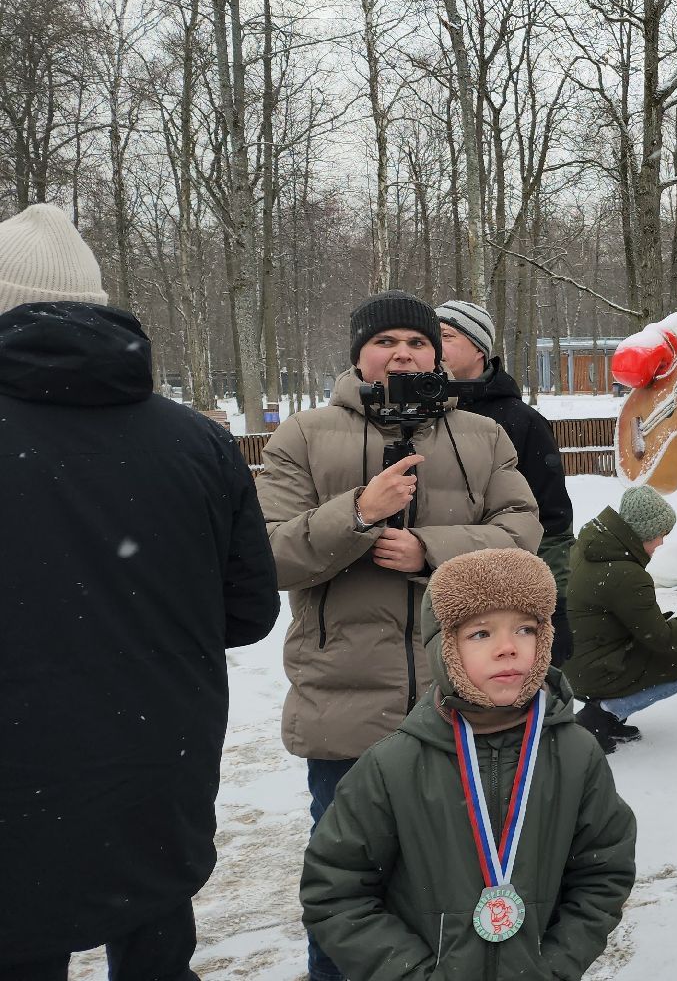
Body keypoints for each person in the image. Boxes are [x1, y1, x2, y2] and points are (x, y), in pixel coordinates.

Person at [0, 204, 280, 980]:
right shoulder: (198, 441)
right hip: (157, 759)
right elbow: (249, 611)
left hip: (17, 776)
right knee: (156, 942)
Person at [256, 289, 541, 981]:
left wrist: (431, 550)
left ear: (437, 355)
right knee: (348, 884)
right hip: (347, 706)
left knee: (465, 880)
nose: (403, 354)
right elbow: (268, 556)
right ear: (359, 354)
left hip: (463, 704)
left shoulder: (483, 436)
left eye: (417, 343)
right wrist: (358, 512)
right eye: (385, 342)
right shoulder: (302, 436)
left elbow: (522, 532)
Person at [301, 547, 637, 978]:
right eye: (480, 634)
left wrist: (555, 966)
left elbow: (603, 872)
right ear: (444, 648)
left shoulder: (576, 754)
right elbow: (336, 889)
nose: (507, 648)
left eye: (525, 629)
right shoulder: (394, 766)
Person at [437, 299, 578, 663]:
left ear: (479, 349)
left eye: (446, 336)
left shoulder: (521, 421)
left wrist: (556, 603)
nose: (435, 346)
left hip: (501, 591)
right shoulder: (417, 417)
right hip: (431, 588)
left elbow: (552, 520)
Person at [565, 484, 677, 750]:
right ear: (644, 533)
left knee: (662, 651)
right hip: (594, 670)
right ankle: (599, 717)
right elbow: (662, 638)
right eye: (660, 535)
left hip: (573, 662)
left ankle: (607, 717)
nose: (662, 543)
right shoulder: (626, 573)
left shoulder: (590, 547)